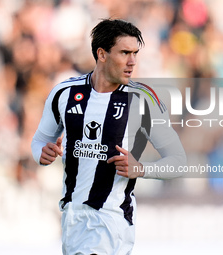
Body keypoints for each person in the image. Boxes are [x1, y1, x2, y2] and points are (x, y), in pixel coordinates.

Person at [31, 18, 186, 255]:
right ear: (101, 54)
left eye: (135, 53)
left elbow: (178, 161)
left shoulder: (143, 100)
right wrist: (42, 153)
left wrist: (142, 169)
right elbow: (39, 140)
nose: (132, 61)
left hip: (112, 220)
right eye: (124, 52)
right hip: (72, 219)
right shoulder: (64, 93)